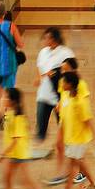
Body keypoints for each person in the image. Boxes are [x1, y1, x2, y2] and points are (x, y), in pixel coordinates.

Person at [0, 87, 48, 189]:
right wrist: (1, 109)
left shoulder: (18, 117)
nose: (3, 99)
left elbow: (15, 140)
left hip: (19, 153)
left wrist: (2, 154)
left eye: (6, 98)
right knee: (7, 179)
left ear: (12, 101)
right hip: (12, 153)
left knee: (24, 181)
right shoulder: (9, 112)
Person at [56, 71, 95, 189]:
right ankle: (93, 184)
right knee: (80, 162)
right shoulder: (64, 95)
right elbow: (63, 117)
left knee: (73, 166)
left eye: (64, 82)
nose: (62, 84)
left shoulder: (80, 102)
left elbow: (88, 120)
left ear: (70, 84)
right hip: (69, 137)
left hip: (79, 138)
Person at [33, 27, 73, 155]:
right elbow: (39, 69)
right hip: (44, 94)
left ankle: (68, 145)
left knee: (62, 121)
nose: (44, 40)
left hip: (59, 95)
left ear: (54, 39)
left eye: (46, 37)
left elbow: (71, 71)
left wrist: (57, 73)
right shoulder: (42, 52)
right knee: (41, 124)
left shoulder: (66, 53)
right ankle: (41, 144)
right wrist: (40, 78)